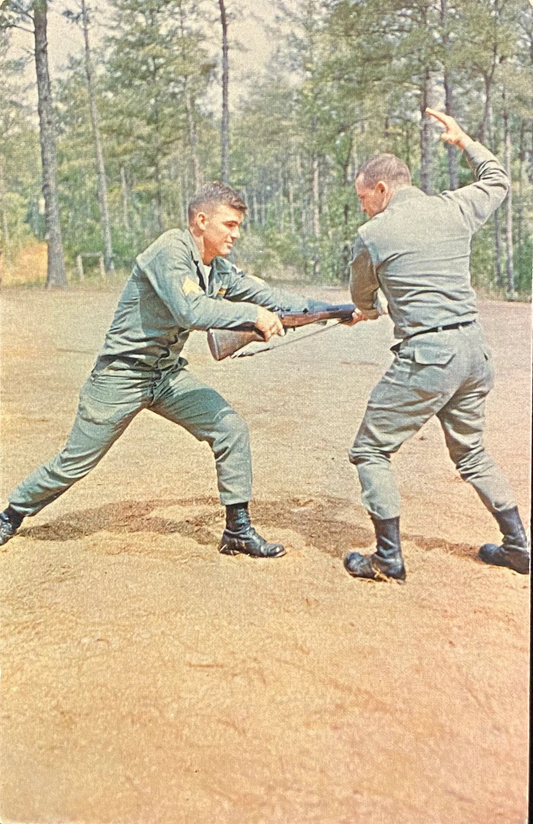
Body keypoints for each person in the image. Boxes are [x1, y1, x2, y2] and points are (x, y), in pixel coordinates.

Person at [0, 182, 330, 559]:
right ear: (201, 221)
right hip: (120, 376)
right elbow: (192, 311)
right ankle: (11, 514)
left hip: (167, 374)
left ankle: (237, 530)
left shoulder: (217, 269)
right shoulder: (170, 250)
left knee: (230, 428)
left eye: (238, 226)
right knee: (72, 464)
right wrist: (253, 315)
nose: (235, 234)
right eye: (229, 224)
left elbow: (271, 296)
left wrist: (335, 309)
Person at [344, 108, 530, 582]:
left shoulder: (372, 234)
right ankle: (518, 546)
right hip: (474, 354)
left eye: (364, 197)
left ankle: (387, 558)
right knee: (471, 454)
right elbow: (498, 178)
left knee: (370, 451)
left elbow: (362, 298)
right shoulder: (454, 207)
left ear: (382, 190)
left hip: (428, 359)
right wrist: (464, 140)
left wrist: (369, 306)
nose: (363, 207)